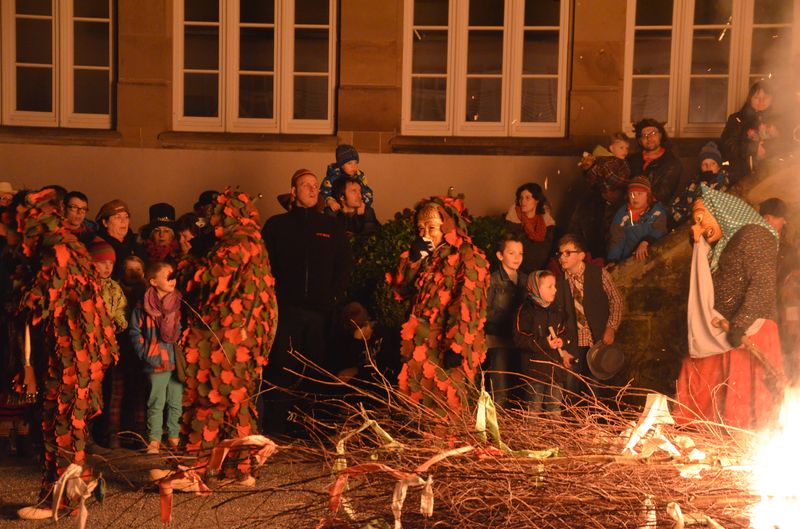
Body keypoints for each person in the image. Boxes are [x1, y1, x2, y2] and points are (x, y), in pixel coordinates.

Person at [15, 189, 118, 520]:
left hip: (72, 356)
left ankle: (59, 500)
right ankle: (68, 494)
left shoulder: (57, 253)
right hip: (74, 354)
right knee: (65, 424)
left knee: (63, 423)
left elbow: (42, 301)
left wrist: (24, 296)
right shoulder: (68, 251)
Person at [182, 188, 277, 483]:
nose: (211, 218)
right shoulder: (253, 241)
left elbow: (212, 280)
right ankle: (240, 469)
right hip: (242, 336)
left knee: (211, 396)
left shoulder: (238, 243)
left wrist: (188, 266)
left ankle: (195, 469)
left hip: (228, 336)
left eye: (216, 212)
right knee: (236, 401)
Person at [675, 185, 784, 430]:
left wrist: (740, 325)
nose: (698, 225)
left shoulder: (756, 234)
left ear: (719, 211)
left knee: (744, 397)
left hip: (751, 329)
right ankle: (700, 436)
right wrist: (697, 238)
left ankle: (745, 442)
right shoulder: (728, 243)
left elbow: (762, 284)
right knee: (701, 377)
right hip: (725, 329)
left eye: (701, 217)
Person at [262, 170, 351, 436]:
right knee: (282, 368)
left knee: (318, 370)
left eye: (315, 185)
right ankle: (277, 429)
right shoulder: (276, 226)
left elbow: (343, 265)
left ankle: (314, 429)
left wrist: (333, 298)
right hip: (286, 311)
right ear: (293, 191)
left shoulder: (332, 227)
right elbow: (265, 265)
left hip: (320, 313)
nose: (313, 190)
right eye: (305, 185)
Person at [390, 196, 490, 418]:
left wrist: (456, 346)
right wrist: (413, 261)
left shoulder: (467, 256)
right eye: (420, 228)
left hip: (446, 347)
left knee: (446, 407)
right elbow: (400, 292)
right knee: (417, 406)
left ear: (447, 226)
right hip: (419, 345)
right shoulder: (427, 257)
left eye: (432, 227)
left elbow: (468, 303)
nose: (425, 234)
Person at [555, 234, 624, 395]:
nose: (562, 257)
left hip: (598, 340)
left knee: (594, 389)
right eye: (560, 253)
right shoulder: (558, 282)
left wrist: (611, 328)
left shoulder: (599, 274)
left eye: (568, 253)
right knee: (571, 387)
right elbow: (555, 316)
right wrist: (562, 348)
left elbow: (617, 301)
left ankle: (594, 409)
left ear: (581, 255)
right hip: (572, 344)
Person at [130, 262, 182, 454]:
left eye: (173, 277)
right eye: (167, 277)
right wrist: (145, 352)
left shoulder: (177, 303)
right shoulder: (143, 306)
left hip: (175, 360)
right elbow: (135, 331)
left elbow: (181, 327)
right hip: (156, 359)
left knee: (175, 401)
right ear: (153, 281)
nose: (172, 280)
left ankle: (174, 437)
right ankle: (154, 440)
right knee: (156, 401)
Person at [513, 270, 575, 412]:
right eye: (549, 286)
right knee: (534, 408)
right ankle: (532, 427)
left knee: (555, 407)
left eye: (555, 286)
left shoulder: (557, 309)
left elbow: (567, 331)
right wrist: (544, 343)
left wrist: (562, 341)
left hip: (555, 371)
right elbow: (519, 339)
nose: (555, 290)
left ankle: (554, 427)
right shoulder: (526, 311)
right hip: (535, 372)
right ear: (536, 288)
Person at [572, 133, 633, 259]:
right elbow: (612, 178)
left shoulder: (621, 162)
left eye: (627, 148)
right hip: (603, 199)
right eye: (621, 147)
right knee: (601, 227)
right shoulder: (607, 162)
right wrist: (630, 183)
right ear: (611, 148)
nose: (625, 151)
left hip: (615, 199)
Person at [484, 234, 527, 405]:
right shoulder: (493, 280)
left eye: (520, 253)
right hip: (498, 340)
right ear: (500, 255)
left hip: (519, 340)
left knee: (518, 388)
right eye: (512, 253)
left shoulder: (525, 279)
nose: (517, 258)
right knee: (499, 389)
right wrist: (508, 321)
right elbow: (485, 311)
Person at [720, 81, 786, 180]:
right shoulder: (737, 119)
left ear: (772, 99)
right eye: (756, 97)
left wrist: (773, 140)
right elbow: (727, 146)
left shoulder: (779, 120)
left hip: (773, 176)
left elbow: (788, 145)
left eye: (766, 97)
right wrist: (754, 148)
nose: (761, 101)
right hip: (741, 176)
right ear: (750, 99)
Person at [669, 142, 731, 228]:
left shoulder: (724, 182)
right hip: (691, 224)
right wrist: (685, 219)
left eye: (713, 163)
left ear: (719, 167)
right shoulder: (694, 183)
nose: (708, 167)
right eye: (704, 164)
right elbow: (677, 204)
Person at [607, 177, 668, 263]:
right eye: (631, 194)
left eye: (639, 193)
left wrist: (646, 242)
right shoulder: (622, 215)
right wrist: (613, 260)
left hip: (656, 252)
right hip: (632, 259)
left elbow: (660, 229)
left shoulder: (656, 210)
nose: (634, 198)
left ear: (648, 195)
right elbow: (616, 239)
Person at [627, 118, 684, 206]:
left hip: (657, 209)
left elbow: (664, 194)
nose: (649, 138)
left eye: (653, 133)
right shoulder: (631, 159)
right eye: (644, 135)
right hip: (629, 205)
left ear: (660, 135)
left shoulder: (672, 162)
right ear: (640, 140)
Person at [505, 183, 556, 274]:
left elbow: (549, 250)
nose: (523, 201)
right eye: (521, 198)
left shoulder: (547, 224)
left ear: (537, 200)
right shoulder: (513, 222)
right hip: (518, 272)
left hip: (542, 273)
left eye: (527, 198)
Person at [96, 199, 143, 280]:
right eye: (117, 217)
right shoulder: (99, 247)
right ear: (105, 223)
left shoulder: (136, 243)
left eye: (126, 217)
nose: (123, 221)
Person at [321, 144, 374, 213]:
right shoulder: (332, 177)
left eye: (356, 163)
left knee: (368, 212)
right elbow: (323, 193)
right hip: (338, 209)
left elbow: (367, 192)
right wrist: (329, 201)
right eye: (349, 163)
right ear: (341, 165)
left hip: (355, 209)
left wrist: (363, 203)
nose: (353, 167)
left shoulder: (359, 177)